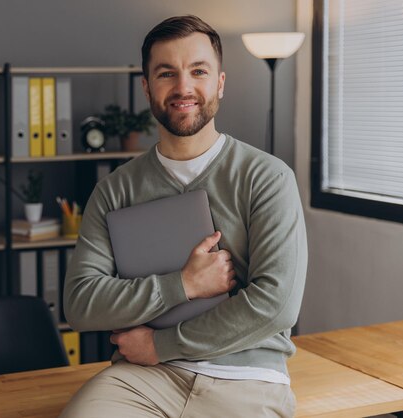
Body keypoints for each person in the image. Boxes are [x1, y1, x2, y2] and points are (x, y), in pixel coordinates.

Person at [60, 15, 307, 418]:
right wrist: (183, 284)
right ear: (146, 87)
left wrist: (162, 345)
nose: (183, 87)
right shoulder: (114, 190)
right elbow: (82, 304)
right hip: (141, 380)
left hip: (247, 377)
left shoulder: (268, 178)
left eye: (198, 71)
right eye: (166, 73)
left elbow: (276, 306)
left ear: (220, 83)